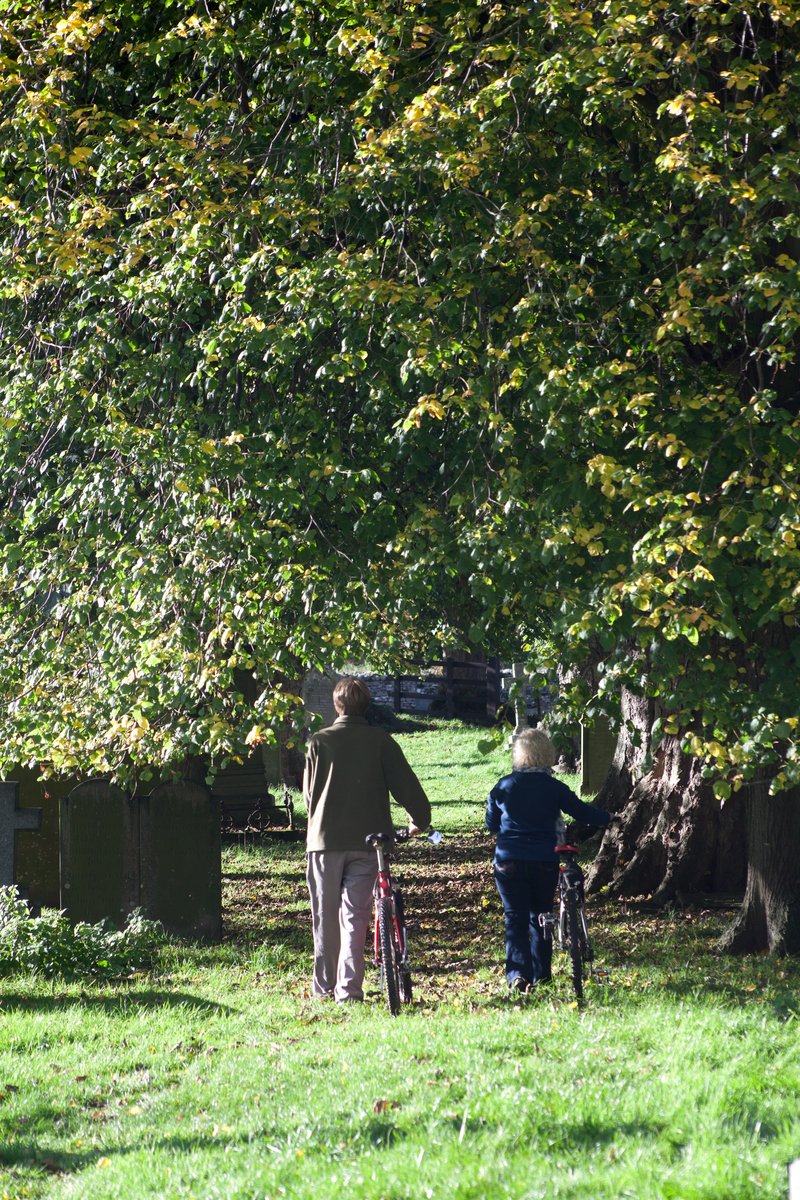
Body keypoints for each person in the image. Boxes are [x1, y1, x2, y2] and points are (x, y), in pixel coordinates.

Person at [303, 677, 431, 1003]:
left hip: (325, 841)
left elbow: (308, 798)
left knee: (325, 917)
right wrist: (419, 822)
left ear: (336, 705)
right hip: (369, 843)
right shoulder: (381, 742)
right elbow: (408, 789)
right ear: (367, 704)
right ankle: (349, 991)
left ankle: (323, 988)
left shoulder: (319, 743)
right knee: (355, 917)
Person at [486, 727, 609, 993]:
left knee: (514, 918)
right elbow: (582, 811)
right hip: (544, 860)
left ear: (519, 754)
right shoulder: (554, 787)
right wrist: (609, 818)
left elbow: (492, 823)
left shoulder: (504, 786)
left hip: (508, 861)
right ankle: (542, 976)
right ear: (547, 754)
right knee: (541, 916)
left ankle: (518, 975)